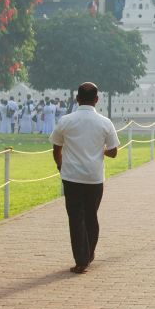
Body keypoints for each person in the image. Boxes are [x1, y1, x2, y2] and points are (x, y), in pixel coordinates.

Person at [50, 82, 119, 275]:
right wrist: (99, 150)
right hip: (94, 178)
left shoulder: (66, 121)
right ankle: (88, 254)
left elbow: (56, 148)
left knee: (75, 218)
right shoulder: (105, 123)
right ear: (97, 100)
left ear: (77, 99)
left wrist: (60, 165)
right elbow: (114, 152)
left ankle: (82, 259)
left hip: (71, 176)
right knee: (91, 216)